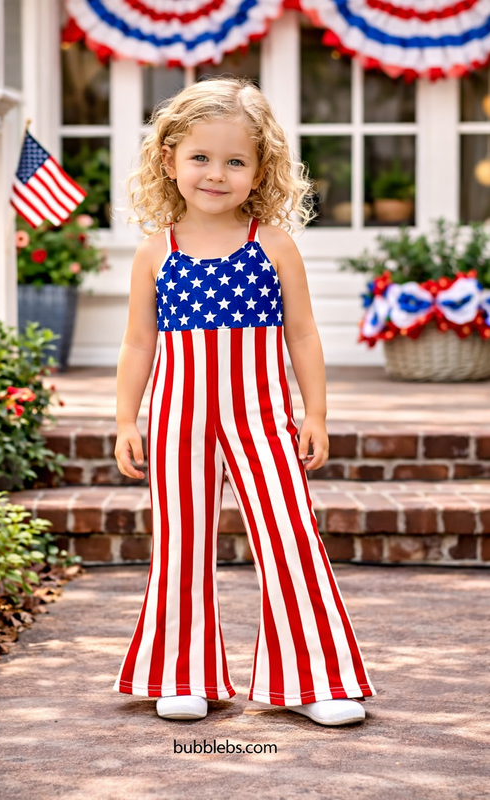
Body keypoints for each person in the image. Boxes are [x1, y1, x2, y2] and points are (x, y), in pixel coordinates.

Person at [113, 77, 376, 727]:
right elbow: (138, 343)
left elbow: (303, 335)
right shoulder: (155, 253)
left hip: (262, 418)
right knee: (180, 543)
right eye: (200, 157)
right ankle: (183, 674)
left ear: (260, 171)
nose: (215, 173)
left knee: (290, 537)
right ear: (169, 160)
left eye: (235, 161)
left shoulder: (273, 245)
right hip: (177, 421)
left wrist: (315, 414)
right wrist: (125, 420)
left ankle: (313, 679)